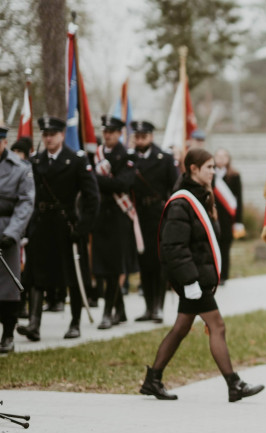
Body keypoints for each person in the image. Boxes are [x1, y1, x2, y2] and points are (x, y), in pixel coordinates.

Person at [141, 148, 264, 402]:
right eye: (208, 167)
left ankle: (152, 379)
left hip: (197, 278)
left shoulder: (201, 196)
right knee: (217, 325)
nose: (213, 171)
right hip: (192, 280)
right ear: (193, 169)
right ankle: (234, 384)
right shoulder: (181, 202)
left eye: (213, 167)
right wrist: (189, 282)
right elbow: (174, 247)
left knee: (181, 328)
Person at [17, 116, 99, 341]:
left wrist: (82, 228)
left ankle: (74, 323)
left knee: (73, 277)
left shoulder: (76, 161)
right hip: (42, 225)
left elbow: (93, 198)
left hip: (67, 226)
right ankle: (34, 324)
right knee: (35, 275)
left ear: (62, 135)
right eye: (45, 134)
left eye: (52, 134)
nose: (48, 138)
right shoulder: (35, 161)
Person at [131, 120, 178, 323]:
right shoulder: (129, 159)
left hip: (159, 215)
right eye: (137, 136)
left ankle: (158, 306)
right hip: (137, 216)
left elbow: (174, 188)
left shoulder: (164, 158)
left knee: (158, 262)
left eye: (144, 136)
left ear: (151, 136)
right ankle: (148, 307)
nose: (140, 140)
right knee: (144, 263)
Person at [92, 116, 136, 330]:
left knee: (115, 266)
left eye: (112, 131)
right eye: (105, 131)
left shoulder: (127, 155)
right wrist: (106, 183)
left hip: (119, 217)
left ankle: (108, 312)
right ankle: (120, 310)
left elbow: (124, 183)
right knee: (102, 266)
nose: (107, 135)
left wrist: (99, 181)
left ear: (120, 133)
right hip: (100, 216)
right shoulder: (96, 154)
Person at [0, 126, 35, 354]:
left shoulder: (20, 168)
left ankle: (8, 334)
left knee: (7, 287)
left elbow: (25, 203)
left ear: (3, 141)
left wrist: (12, 233)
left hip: (6, 231)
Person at [212, 148, 243, 283]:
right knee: (214, 246)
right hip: (214, 216)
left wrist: (238, 221)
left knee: (225, 247)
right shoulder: (210, 175)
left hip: (227, 219)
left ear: (228, 159)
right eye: (218, 156)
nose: (221, 158)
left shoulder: (234, 176)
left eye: (224, 156)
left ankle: (223, 275)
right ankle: (214, 274)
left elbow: (239, 199)